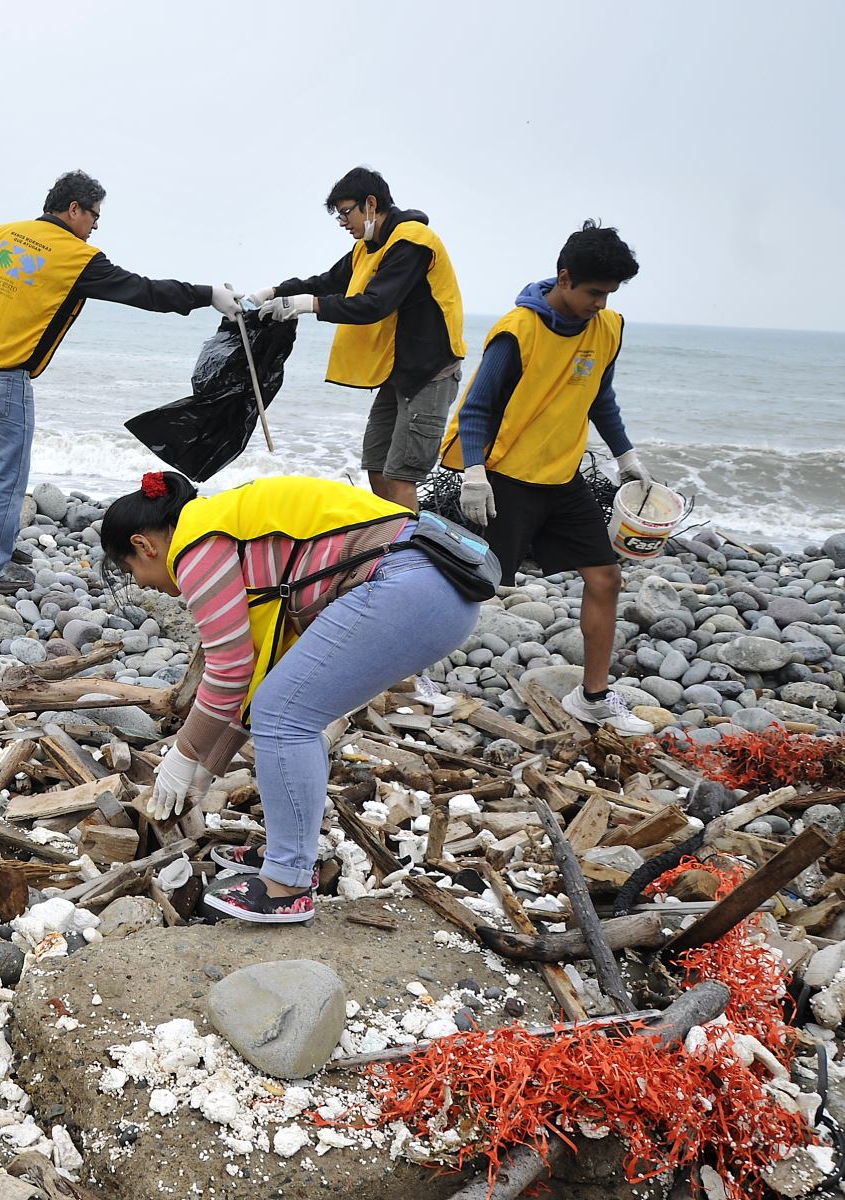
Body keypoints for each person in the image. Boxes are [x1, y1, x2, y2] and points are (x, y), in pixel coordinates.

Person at [101, 471, 479, 923]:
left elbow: (229, 671)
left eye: (130, 571)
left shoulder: (196, 544)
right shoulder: (233, 532)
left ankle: (287, 886)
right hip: (439, 585)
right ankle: (291, 859)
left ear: (145, 545)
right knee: (290, 710)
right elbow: (262, 675)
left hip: (408, 585)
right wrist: (207, 767)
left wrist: (182, 756)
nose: (141, 584)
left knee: (284, 718)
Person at [0, 169, 244, 594]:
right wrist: (206, 295)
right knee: (7, 476)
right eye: (94, 215)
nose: (95, 225)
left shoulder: (5, 233)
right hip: (1, 376)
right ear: (73, 207)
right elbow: (143, 291)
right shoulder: (75, 257)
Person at [438, 221, 653, 736]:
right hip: (504, 478)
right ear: (564, 277)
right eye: (594, 292)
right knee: (467, 585)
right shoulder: (518, 331)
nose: (601, 303)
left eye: (610, 294)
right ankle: (409, 675)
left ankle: (594, 697)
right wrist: (474, 473)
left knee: (605, 577)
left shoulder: (607, 328)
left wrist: (626, 455)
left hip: (563, 478)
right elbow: (477, 410)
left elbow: (599, 397)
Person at [251, 166, 466, 513]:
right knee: (377, 464)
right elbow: (327, 282)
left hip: (430, 374)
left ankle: (408, 555)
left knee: (401, 475)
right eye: (338, 216)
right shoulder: (367, 247)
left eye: (345, 213)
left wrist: (307, 306)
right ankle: (388, 539)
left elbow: (375, 304)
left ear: (370, 203)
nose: (343, 222)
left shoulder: (412, 242)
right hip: (395, 372)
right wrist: (273, 292)